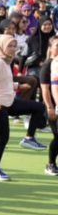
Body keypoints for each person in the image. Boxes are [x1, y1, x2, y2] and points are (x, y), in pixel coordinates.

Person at [0, 35, 47, 181]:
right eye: (9, 46)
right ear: (1, 47)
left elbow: (4, 83)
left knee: (38, 107)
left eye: (14, 46)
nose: (13, 49)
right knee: (2, 139)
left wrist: (19, 86)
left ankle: (29, 138)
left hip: (8, 102)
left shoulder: (6, 61)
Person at [40, 37, 58, 175]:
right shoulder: (48, 65)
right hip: (52, 106)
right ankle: (51, 164)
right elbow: (45, 89)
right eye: (57, 45)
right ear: (50, 48)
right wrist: (50, 107)